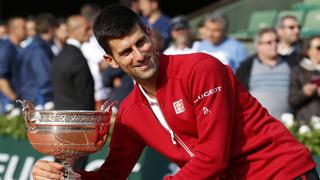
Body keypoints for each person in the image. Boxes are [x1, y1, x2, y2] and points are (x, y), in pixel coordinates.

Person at [31, 5, 318, 180]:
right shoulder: (130, 113)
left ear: (149, 33)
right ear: (111, 61)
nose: (139, 55)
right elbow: (112, 175)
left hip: (283, 173)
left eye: (140, 43)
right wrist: (68, 177)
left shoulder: (201, 68)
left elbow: (213, 156)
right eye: (126, 52)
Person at [236, 28, 298, 119]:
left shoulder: (291, 63)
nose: (275, 45)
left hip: (288, 123)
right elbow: (240, 96)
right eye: (269, 42)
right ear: (258, 45)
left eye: (276, 41)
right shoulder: (247, 66)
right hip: (258, 123)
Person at [52, 15, 94, 111]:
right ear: (74, 31)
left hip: (62, 116)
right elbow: (85, 95)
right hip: (78, 118)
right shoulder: (76, 58)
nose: (90, 32)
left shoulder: (61, 55)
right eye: (86, 29)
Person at [20, 13, 56, 110]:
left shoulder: (36, 46)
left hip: (35, 99)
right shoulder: (38, 49)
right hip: (40, 101)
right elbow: (44, 78)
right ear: (51, 29)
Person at [289, 35, 320, 123]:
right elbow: (292, 100)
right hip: (306, 124)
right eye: (318, 48)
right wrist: (304, 93)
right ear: (308, 51)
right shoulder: (298, 71)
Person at [0, 17, 26, 114]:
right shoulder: (6, 49)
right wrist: (15, 100)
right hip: (9, 106)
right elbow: (1, 79)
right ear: (13, 30)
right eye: (23, 28)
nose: (26, 31)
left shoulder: (17, 48)